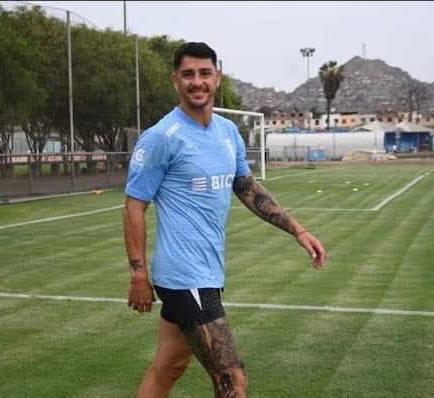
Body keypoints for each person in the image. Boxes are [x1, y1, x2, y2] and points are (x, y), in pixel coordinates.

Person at [123, 41, 327, 398]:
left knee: (168, 368)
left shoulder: (227, 132)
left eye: (204, 73)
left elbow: (247, 187)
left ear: (217, 77)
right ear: (176, 80)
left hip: (208, 272)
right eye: (188, 74)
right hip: (184, 276)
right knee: (232, 377)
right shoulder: (161, 138)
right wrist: (138, 274)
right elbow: (133, 207)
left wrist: (299, 230)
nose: (196, 81)